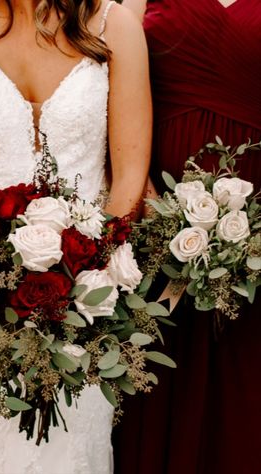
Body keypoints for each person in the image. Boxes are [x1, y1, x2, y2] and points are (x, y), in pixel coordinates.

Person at [0, 0, 151, 472]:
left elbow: (128, 177)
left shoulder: (113, 23)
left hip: (88, 303)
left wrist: (88, 279)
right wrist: (0, 279)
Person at [113, 1, 261, 474]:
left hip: (257, 241)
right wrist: (145, 198)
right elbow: (109, 87)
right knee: (158, 394)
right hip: (156, 235)